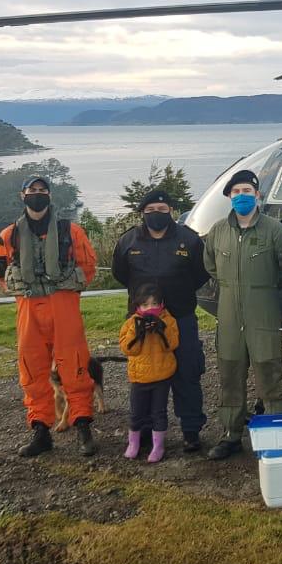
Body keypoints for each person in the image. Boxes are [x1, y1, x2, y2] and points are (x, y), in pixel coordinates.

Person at [0, 175, 99, 458]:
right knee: (32, 368)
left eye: (42, 190)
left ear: (49, 195)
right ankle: (40, 430)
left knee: (75, 365)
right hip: (29, 309)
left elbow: (88, 267)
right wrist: (23, 291)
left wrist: (65, 290)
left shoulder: (71, 232)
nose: (37, 194)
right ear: (22, 195)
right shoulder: (8, 235)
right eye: (32, 190)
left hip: (63, 306)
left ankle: (83, 425)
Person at [202, 170, 282, 460]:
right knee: (229, 374)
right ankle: (231, 435)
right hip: (229, 315)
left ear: (258, 195)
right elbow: (211, 266)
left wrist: (261, 288)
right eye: (236, 192)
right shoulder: (218, 231)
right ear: (229, 196)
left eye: (247, 191)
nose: (242, 196)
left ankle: (275, 433)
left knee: (270, 373)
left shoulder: (275, 230)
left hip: (263, 312)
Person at [112, 188, 210, 452]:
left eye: (163, 210)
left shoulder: (189, 240)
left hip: (181, 316)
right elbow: (120, 273)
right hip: (141, 319)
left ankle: (191, 430)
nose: (157, 214)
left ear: (171, 212)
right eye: (151, 210)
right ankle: (143, 430)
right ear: (143, 213)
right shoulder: (128, 241)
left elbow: (201, 274)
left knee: (187, 373)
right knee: (144, 375)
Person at [118, 283, 181, 463]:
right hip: (139, 377)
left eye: (154, 304)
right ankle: (133, 444)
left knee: (158, 413)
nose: (150, 309)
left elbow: (172, 344)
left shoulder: (169, 320)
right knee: (136, 412)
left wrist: (161, 330)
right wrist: (138, 333)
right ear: (137, 306)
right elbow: (128, 349)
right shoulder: (131, 322)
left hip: (161, 376)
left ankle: (158, 446)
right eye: (145, 305)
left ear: (161, 304)